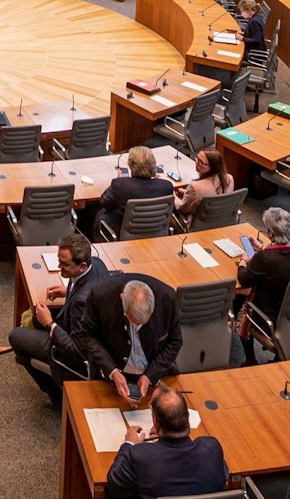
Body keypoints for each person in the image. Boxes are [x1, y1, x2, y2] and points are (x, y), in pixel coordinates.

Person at [10, 233, 110, 406]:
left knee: (16, 336)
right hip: (79, 324)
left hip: (74, 351)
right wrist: (67, 291)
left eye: (65, 264)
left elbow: (77, 350)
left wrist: (50, 324)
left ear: (82, 265)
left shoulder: (81, 302)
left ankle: (56, 394)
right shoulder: (97, 264)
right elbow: (85, 285)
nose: (59, 266)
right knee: (35, 318)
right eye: (59, 260)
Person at [105, 386, 227, 499]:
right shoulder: (212, 448)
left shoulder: (139, 456)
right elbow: (223, 478)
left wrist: (129, 444)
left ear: (155, 422)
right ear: (187, 416)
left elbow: (114, 487)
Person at [75, 275, 181, 404]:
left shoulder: (167, 299)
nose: (137, 327)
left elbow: (175, 342)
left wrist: (150, 375)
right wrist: (112, 371)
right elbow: (86, 334)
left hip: (156, 376)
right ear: (122, 299)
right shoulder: (100, 295)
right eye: (134, 323)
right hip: (110, 376)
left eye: (142, 324)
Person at [236, 206, 290, 325]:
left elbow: (244, 280)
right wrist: (261, 247)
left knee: (238, 297)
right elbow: (280, 258)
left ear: (271, 233)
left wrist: (243, 261)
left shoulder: (264, 258)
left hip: (267, 319)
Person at [99, 145, 174, 234]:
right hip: (156, 234)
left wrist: (118, 181)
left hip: (122, 234)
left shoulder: (120, 185)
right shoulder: (166, 186)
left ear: (131, 165)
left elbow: (104, 202)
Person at [173, 147, 233, 217]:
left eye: (200, 162)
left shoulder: (195, 187)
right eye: (197, 158)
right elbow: (206, 194)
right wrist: (184, 192)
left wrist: (173, 195)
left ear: (212, 167)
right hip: (222, 218)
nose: (196, 162)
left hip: (200, 222)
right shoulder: (229, 178)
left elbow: (181, 208)